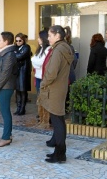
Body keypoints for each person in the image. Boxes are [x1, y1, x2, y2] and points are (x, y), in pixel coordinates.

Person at [38, 25, 74, 163]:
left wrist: (43, 83)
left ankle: (60, 154)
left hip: (54, 89)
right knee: (59, 120)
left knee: (57, 121)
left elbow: (52, 72)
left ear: (57, 35)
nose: (48, 38)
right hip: (59, 88)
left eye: (50, 35)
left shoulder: (59, 50)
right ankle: (60, 152)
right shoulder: (64, 48)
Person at [0, 31, 17, 147]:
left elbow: (5, 74)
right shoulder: (4, 53)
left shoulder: (9, 54)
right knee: (4, 111)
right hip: (3, 87)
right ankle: (7, 134)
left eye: (0, 40)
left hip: (5, 87)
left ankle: (6, 138)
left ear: (6, 42)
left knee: (5, 112)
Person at [31, 30, 50, 128]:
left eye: (39, 37)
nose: (37, 39)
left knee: (44, 100)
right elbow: (34, 61)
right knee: (39, 100)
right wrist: (35, 62)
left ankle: (45, 121)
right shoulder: (40, 49)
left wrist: (35, 62)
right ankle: (41, 119)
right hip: (38, 77)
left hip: (43, 78)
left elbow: (41, 63)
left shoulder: (48, 50)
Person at [13, 33, 31, 116]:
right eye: (16, 41)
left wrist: (13, 55)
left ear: (23, 40)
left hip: (23, 71)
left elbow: (19, 56)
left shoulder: (26, 47)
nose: (18, 42)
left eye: (20, 40)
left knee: (23, 90)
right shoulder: (15, 47)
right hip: (16, 71)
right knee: (17, 91)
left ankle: (22, 109)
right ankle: (18, 108)